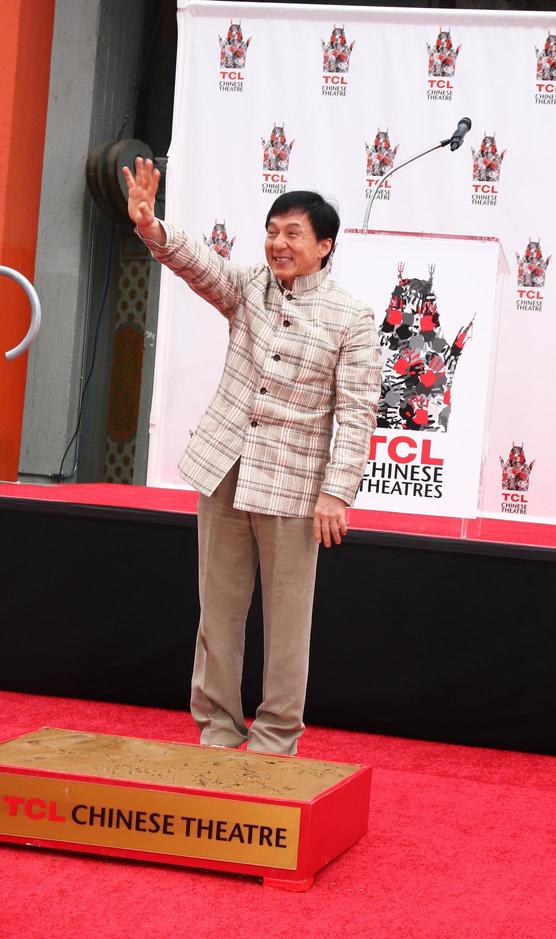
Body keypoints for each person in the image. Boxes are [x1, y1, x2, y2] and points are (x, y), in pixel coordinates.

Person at [123, 157, 381, 756]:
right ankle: (217, 728)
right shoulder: (247, 289)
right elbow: (198, 264)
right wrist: (150, 226)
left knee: (288, 622)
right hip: (224, 470)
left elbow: (358, 411)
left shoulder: (353, 317)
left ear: (325, 246)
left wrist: (336, 492)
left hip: (295, 486)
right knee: (218, 612)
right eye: (272, 230)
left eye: (293, 233)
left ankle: (275, 738)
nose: (278, 243)